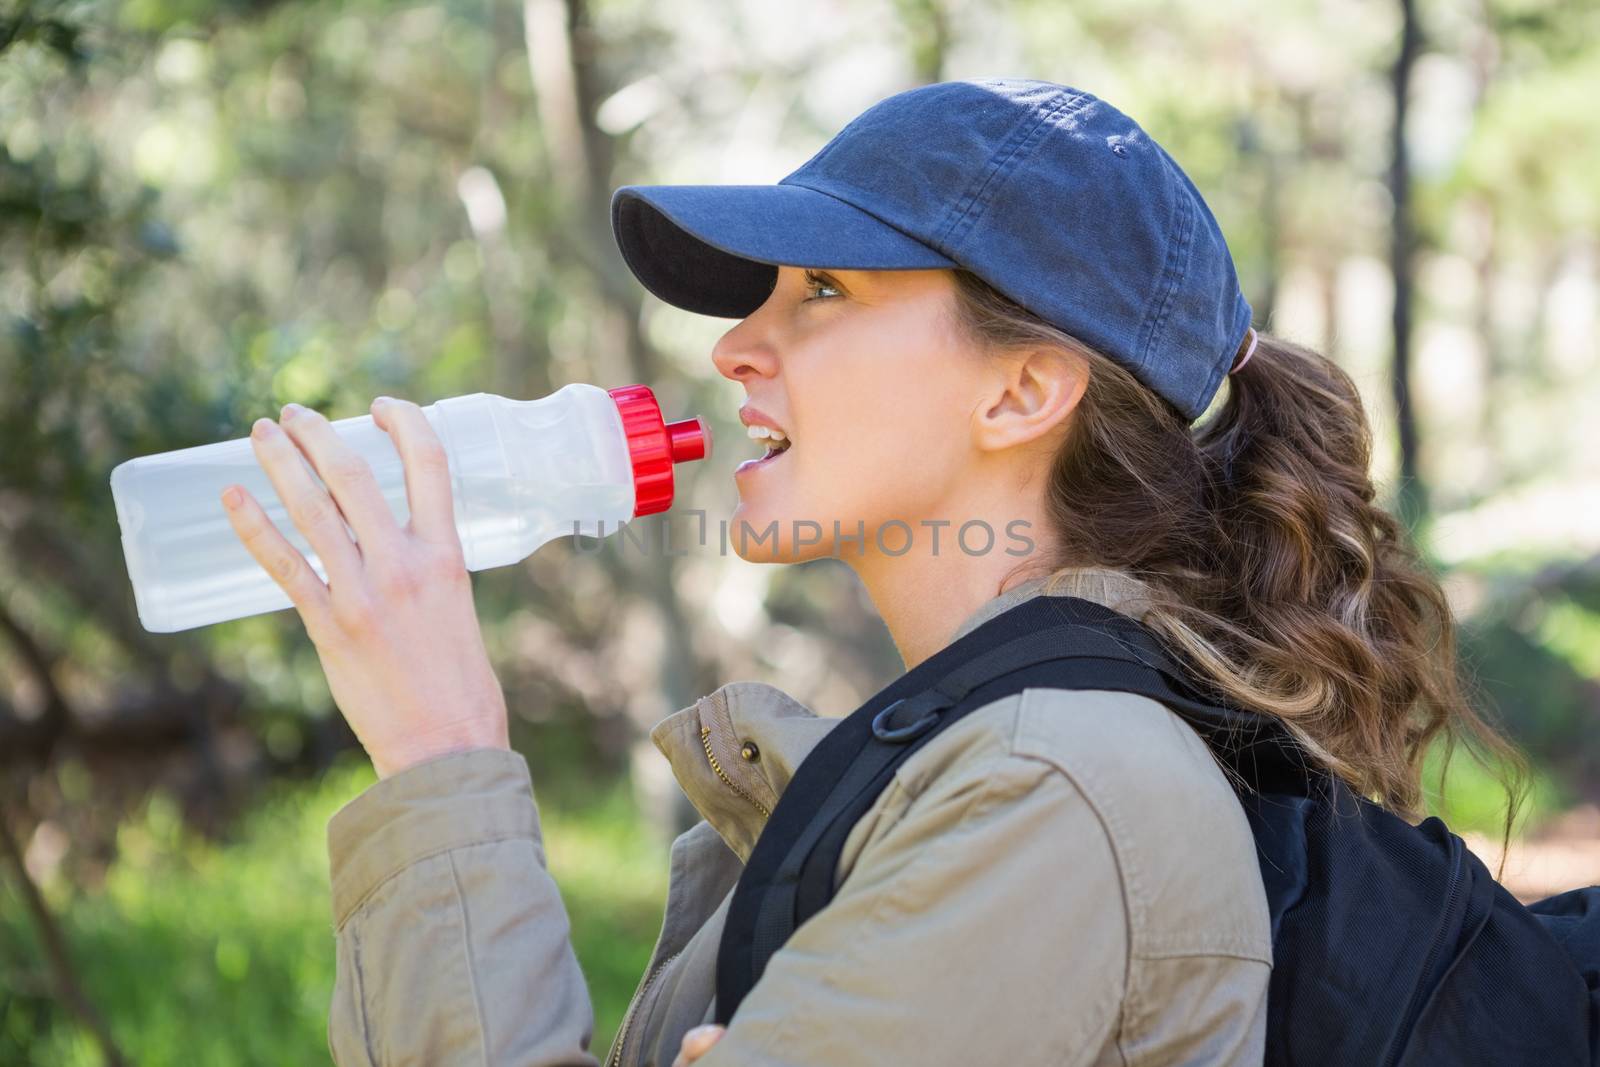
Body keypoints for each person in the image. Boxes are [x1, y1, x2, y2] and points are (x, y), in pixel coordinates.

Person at [220, 78, 1519, 1066]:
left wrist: (441, 748)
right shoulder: (991, 761)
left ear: (1023, 388)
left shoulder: (1051, 790)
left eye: (823, 290)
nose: (736, 346)